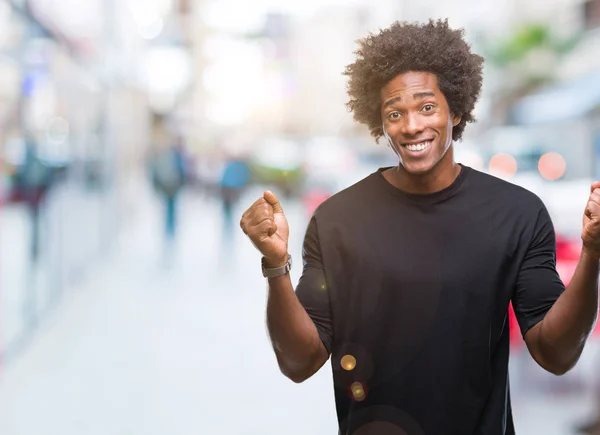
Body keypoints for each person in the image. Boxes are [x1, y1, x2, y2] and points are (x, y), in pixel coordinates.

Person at [239, 19, 600, 434]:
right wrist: (276, 265)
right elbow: (299, 362)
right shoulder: (338, 220)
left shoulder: (516, 213)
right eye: (396, 113)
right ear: (380, 122)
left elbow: (555, 354)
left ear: (457, 109)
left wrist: (592, 252)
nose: (412, 126)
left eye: (427, 107)